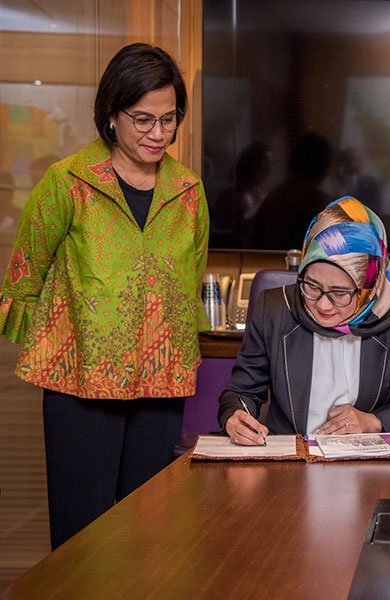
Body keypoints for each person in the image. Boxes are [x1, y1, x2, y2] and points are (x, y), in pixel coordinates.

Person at [0, 43, 209, 549]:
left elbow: (190, 280)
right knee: (83, 536)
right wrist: (59, 349)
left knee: (149, 535)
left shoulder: (188, 191)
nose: (158, 134)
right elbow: (24, 278)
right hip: (80, 387)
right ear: (111, 115)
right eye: (143, 120)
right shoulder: (67, 182)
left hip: (160, 384)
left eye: (169, 119)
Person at [219, 196, 390, 442]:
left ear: (368, 286)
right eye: (312, 286)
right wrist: (236, 417)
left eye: (339, 293)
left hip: (367, 460)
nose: (323, 305)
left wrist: (374, 421)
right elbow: (241, 391)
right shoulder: (275, 309)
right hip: (290, 457)